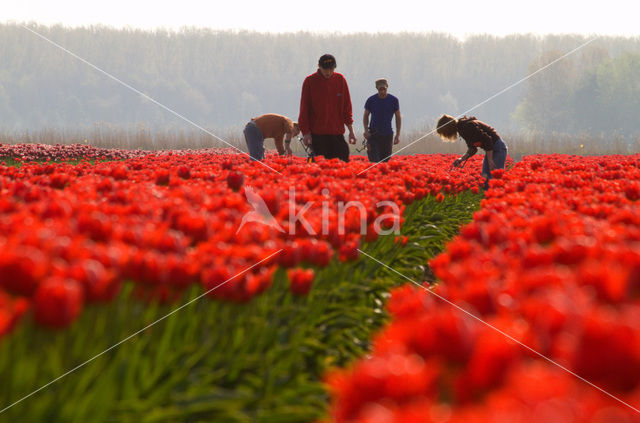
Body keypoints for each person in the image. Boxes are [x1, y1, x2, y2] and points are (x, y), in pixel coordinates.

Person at [298, 54, 357, 162]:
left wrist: (351, 131)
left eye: (331, 69)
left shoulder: (340, 80)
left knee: (343, 160)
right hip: (317, 135)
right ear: (319, 66)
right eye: (325, 69)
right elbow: (304, 109)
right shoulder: (310, 81)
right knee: (319, 167)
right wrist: (306, 133)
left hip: (337, 133)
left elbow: (346, 108)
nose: (328, 72)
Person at [436, 114, 508, 189]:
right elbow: (472, 148)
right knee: (485, 178)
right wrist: (461, 159)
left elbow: (488, 140)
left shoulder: (466, 127)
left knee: (493, 179)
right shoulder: (462, 127)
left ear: (448, 129)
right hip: (492, 150)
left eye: (444, 133)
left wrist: (490, 160)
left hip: (497, 148)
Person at [363, 78, 401, 162]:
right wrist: (366, 130)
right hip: (373, 135)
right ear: (377, 88)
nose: (382, 91)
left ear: (387, 87)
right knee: (374, 160)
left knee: (385, 160)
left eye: (384, 89)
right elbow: (366, 116)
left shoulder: (394, 100)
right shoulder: (371, 100)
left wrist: (397, 134)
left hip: (387, 135)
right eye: (380, 89)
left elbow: (398, 117)